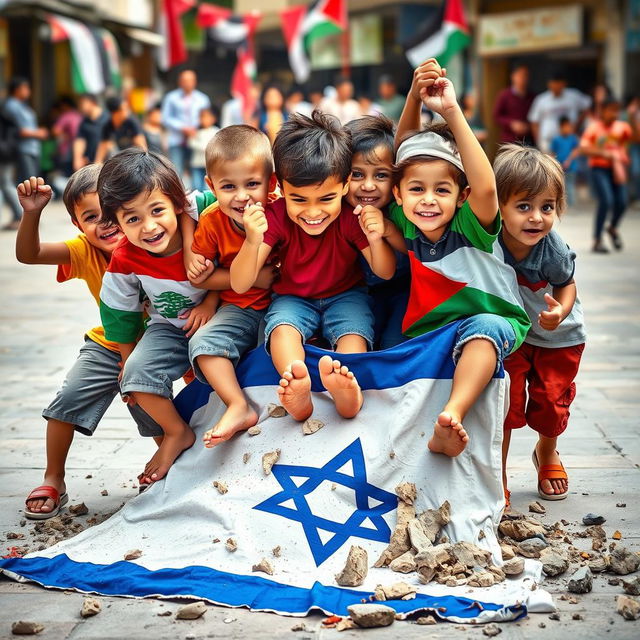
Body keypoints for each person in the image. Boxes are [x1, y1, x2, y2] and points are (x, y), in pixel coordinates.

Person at [388, 58, 530, 457]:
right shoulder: (408, 221)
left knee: (482, 330)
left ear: (462, 197)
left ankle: (452, 417)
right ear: (399, 196)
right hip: (431, 333)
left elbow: (485, 184)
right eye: (416, 190)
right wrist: (414, 97)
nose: (428, 199)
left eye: (442, 190)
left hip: (493, 321)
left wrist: (451, 112)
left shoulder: (471, 224)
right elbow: (404, 152)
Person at [15, 167, 162, 518]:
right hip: (111, 344)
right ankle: (54, 477)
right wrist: (32, 213)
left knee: (167, 407)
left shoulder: (155, 238)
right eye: (92, 216)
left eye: (112, 212)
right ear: (77, 224)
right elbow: (29, 254)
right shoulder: (84, 252)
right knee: (67, 400)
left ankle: (171, 468)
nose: (106, 223)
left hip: (168, 341)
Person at [230, 111, 395, 422]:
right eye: (300, 200)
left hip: (346, 294)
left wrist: (376, 238)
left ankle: (347, 391)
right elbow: (240, 283)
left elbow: (384, 271)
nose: (313, 212)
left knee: (353, 336)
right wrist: (252, 241)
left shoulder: (351, 216)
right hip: (293, 297)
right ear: (280, 187)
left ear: (346, 184)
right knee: (281, 331)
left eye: (326, 198)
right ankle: (297, 383)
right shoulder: (276, 216)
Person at [98, 149, 218, 485]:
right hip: (168, 326)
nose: (149, 227)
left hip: (220, 317)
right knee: (135, 376)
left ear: (178, 204)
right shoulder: (125, 258)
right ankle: (176, 433)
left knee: (215, 363)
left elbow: (219, 197)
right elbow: (118, 311)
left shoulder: (205, 218)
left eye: (157, 210)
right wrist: (127, 360)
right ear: (118, 224)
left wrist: (209, 302)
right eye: (132, 219)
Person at [495, 145, 586, 504]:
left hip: (559, 337)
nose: (536, 218)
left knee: (551, 404)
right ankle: (497, 472)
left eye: (546, 207)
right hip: (513, 338)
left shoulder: (554, 250)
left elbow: (567, 284)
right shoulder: (490, 242)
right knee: (504, 404)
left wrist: (558, 313)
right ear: (499, 206)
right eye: (523, 207)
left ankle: (547, 452)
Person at [184, 126, 277, 446]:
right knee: (202, 345)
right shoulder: (211, 222)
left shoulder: (281, 211)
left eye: (252, 184)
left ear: (271, 183)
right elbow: (201, 275)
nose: (241, 196)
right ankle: (237, 405)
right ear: (211, 185)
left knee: (281, 345)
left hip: (282, 303)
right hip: (237, 304)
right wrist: (211, 300)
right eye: (228, 186)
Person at [344, 114, 410, 349]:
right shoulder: (338, 210)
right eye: (357, 174)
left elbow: (414, 249)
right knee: (363, 337)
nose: (368, 185)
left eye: (380, 175)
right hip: (358, 293)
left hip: (404, 289)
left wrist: (388, 229)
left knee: (394, 342)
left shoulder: (402, 208)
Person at [580, 98, 632, 253]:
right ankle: (597, 240)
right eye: (611, 110)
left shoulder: (623, 127)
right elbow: (584, 148)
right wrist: (605, 153)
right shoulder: (594, 128)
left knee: (622, 202)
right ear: (603, 110)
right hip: (599, 168)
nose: (615, 113)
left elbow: (632, 140)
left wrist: (633, 116)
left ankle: (613, 228)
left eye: (617, 110)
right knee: (606, 201)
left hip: (617, 168)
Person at [161, 69, 211, 186]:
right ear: (180, 82)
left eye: (190, 80)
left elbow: (207, 117)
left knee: (197, 170)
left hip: (197, 141)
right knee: (176, 170)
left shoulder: (202, 99)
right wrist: (182, 128)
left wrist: (195, 128)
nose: (187, 83)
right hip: (177, 139)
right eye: (185, 80)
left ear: (195, 82)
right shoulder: (171, 98)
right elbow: (165, 118)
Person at [528, 73, 591, 152]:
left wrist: (578, 124)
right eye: (553, 83)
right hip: (547, 141)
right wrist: (538, 141)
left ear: (564, 83)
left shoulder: (573, 96)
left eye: (558, 83)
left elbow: (588, 106)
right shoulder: (541, 99)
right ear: (549, 84)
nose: (556, 86)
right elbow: (534, 122)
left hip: (568, 141)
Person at [4, 77, 48, 183]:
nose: (28, 91)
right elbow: (17, 129)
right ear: (17, 89)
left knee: (32, 179)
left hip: (32, 148)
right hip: (23, 148)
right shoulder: (11, 106)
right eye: (25, 88)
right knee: (29, 180)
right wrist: (38, 133)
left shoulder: (22, 105)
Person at [94, 96, 147, 164]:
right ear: (114, 113)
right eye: (124, 109)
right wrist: (97, 163)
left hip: (134, 158)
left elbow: (142, 147)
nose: (128, 111)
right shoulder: (108, 126)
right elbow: (102, 148)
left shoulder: (132, 122)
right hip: (120, 157)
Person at [492, 65, 535, 145]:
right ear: (513, 76)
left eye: (525, 75)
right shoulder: (504, 95)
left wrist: (527, 126)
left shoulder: (532, 97)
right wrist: (511, 123)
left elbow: (535, 118)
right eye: (520, 75)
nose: (522, 78)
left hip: (527, 140)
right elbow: (496, 115)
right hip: (509, 140)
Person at [0, 100, 22, 229]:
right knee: (6, 184)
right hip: (7, 152)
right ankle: (20, 215)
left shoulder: (7, 108)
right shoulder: (6, 109)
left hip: (4, 154)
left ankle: (21, 215)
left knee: (6, 184)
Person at [73, 94, 109, 171]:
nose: (81, 107)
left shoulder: (107, 119)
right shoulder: (85, 122)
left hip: (106, 162)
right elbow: (80, 140)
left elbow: (108, 141)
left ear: (93, 103)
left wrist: (98, 160)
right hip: (90, 164)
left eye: (83, 103)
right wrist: (78, 158)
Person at [550, 116, 581, 207]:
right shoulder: (556, 139)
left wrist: (569, 160)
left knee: (570, 185)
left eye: (569, 126)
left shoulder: (572, 139)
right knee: (561, 186)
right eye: (566, 126)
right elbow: (553, 153)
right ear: (561, 127)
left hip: (571, 167)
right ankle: (562, 205)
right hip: (559, 167)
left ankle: (571, 205)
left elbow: (576, 151)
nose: (568, 129)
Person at [188, 107, 219, 192]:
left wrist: (201, 146)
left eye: (207, 117)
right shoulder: (197, 132)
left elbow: (210, 147)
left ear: (213, 119)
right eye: (202, 117)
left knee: (208, 186)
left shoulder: (216, 131)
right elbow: (191, 143)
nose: (204, 120)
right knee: (196, 185)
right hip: (197, 163)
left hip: (209, 164)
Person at [51, 97, 82, 178]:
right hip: (79, 151)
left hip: (67, 152)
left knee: (65, 175)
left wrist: (65, 136)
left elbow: (55, 131)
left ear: (64, 105)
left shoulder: (66, 115)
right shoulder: (79, 116)